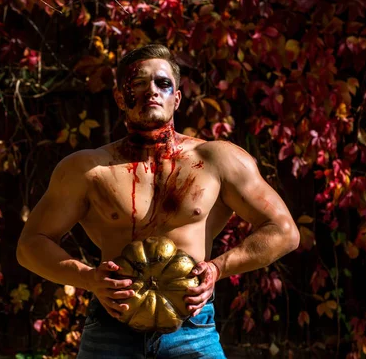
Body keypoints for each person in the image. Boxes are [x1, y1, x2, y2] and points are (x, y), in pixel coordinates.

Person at [16, 44, 300, 358]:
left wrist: (218, 268)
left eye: (163, 84)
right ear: (120, 98)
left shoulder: (218, 160)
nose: (152, 91)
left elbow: (284, 231)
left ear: (176, 98)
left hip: (191, 326)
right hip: (112, 328)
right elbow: (30, 245)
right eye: (138, 83)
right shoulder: (88, 169)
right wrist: (87, 278)